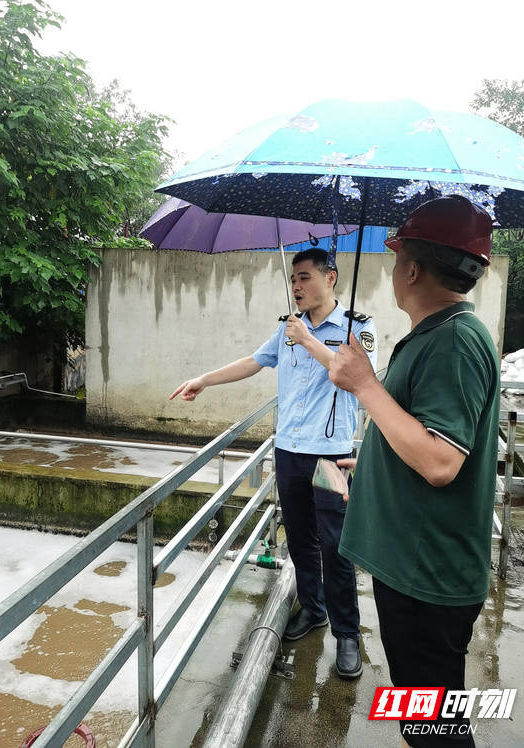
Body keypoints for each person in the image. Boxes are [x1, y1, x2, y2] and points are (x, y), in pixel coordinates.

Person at [329, 195, 499, 746]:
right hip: (415, 564)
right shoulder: (437, 333)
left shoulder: (453, 341)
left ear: (412, 267)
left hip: (428, 577)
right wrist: (376, 461)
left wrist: (365, 384)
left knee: (435, 728)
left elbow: (442, 460)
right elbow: (420, 430)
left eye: (397, 254)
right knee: (419, 717)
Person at [169, 247, 378, 679]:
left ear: (331, 277)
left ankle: (347, 634)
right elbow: (253, 361)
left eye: (304, 277)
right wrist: (203, 380)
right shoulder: (287, 328)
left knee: (337, 545)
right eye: (293, 278)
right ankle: (313, 610)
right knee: (300, 539)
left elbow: (356, 378)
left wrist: (308, 340)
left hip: (330, 456)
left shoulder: (357, 328)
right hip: (289, 451)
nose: (296, 286)